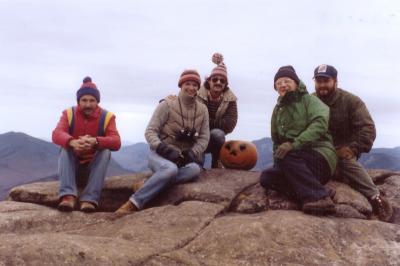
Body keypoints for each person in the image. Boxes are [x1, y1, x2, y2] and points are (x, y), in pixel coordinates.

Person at [115, 69, 209, 214]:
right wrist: (163, 148)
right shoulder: (167, 104)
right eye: (187, 84)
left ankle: (146, 184)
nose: (191, 88)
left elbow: (204, 137)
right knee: (170, 169)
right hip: (159, 154)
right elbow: (150, 131)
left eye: (195, 84)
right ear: (181, 85)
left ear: (198, 87)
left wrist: (192, 152)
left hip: (181, 158)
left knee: (195, 169)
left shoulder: (202, 110)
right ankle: (134, 202)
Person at [313, 64, 393, 222]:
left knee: (345, 162)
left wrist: (353, 148)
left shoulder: (351, 101)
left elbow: (368, 128)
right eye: (318, 81)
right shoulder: (310, 101)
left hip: (341, 152)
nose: (322, 85)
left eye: (326, 80)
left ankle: (375, 197)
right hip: (317, 150)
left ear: (335, 81)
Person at [260, 66, 337, 214]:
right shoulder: (278, 110)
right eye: (279, 82)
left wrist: (295, 144)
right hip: (299, 167)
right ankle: (317, 190)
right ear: (275, 87)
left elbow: (319, 124)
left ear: (296, 83)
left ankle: (319, 199)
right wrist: (279, 165)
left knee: (287, 153)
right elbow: (277, 141)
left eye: (286, 81)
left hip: (320, 157)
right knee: (266, 178)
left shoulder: (309, 100)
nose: (283, 85)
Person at [52, 77, 121, 212]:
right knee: (65, 148)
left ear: (97, 101)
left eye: (92, 100)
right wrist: (72, 142)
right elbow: (56, 133)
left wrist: (96, 142)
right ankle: (68, 197)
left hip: (92, 170)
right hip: (72, 169)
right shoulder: (68, 114)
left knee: (106, 151)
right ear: (78, 101)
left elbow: (116, 141)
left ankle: (89, 199)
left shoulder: (107, 117)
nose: (88, 104)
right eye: (84, 100)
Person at [197, 53, 238, 168]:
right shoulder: (196, 94)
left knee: (218, 134)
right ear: (209, 81)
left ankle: (217, 162)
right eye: (215, 79)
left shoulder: (231, 100)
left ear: (225, 84)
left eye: (222, 80)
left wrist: (205, 121)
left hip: (213, 138)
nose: (218, 82)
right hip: (196, 137)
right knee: (197, 166)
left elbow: (230, 125)